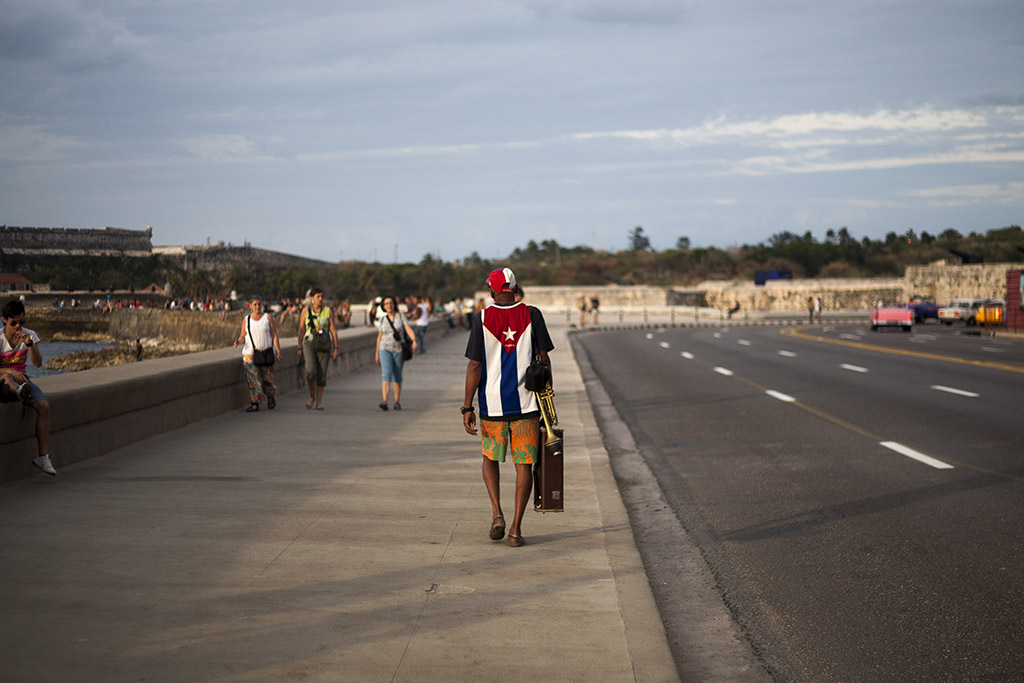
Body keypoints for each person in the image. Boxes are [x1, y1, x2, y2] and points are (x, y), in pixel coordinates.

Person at [463, 267, 553, 548]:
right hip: (527, 405)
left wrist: (467, 407)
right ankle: (515, 529)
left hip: (492, 406)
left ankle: (496, 513)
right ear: (514, 287)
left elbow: (475, 365)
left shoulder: (482, 317)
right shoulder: (533, 314)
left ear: (492, 290)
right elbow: (544, 361)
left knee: (490, 458)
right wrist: (548, 403)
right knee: (524, 464)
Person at [0, 300, 56, 476]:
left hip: (24, 381)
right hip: (3, 382)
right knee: (7, 377)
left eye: (21, 322)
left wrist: (30, 345)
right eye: (14, 323)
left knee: (44, 407)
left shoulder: (29, 335)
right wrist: (8, 370)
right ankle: (18, 392)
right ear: (4, 320)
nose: (18, 327)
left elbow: (38, 364)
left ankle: (43, 457)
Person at [233, 296, 281, 412]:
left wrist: (278, 350)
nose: (257, 307)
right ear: (250, 306)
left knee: (267, 378)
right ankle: (255, 402)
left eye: (259, 304)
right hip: (250, 354)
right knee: (252, 379)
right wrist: (238, 341)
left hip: (266, 352)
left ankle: (270, 396)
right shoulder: (247, 319)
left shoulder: (267, 318)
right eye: (255, 304)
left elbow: (274, 334)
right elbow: (243, 336)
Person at [296, 287, 338, 410]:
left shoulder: (328, 311)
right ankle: (311, 397)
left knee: (322, 373)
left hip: (324, 343)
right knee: (310, 370)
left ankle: (319, 401)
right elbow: (301, 329)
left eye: (321, 296)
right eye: (318, 297)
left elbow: (333, 330)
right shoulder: (306, 311)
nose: (320, 299)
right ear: (312, 298)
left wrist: (336, 347)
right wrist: (299, 347)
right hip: (309, 342)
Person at [374, 295, 418, 410]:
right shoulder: (382, 319)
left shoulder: (401, 317)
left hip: (398, 349)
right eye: (386, 304)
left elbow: (408, 328)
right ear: (383, 306)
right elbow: (379, 336)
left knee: (397, 375)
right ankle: (384, 401)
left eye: (391, 303)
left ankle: (397, 401)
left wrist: (414, 340)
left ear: (394, 304)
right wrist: (377, 352)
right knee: (386, 373)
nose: (389, 305)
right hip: (385, 349)